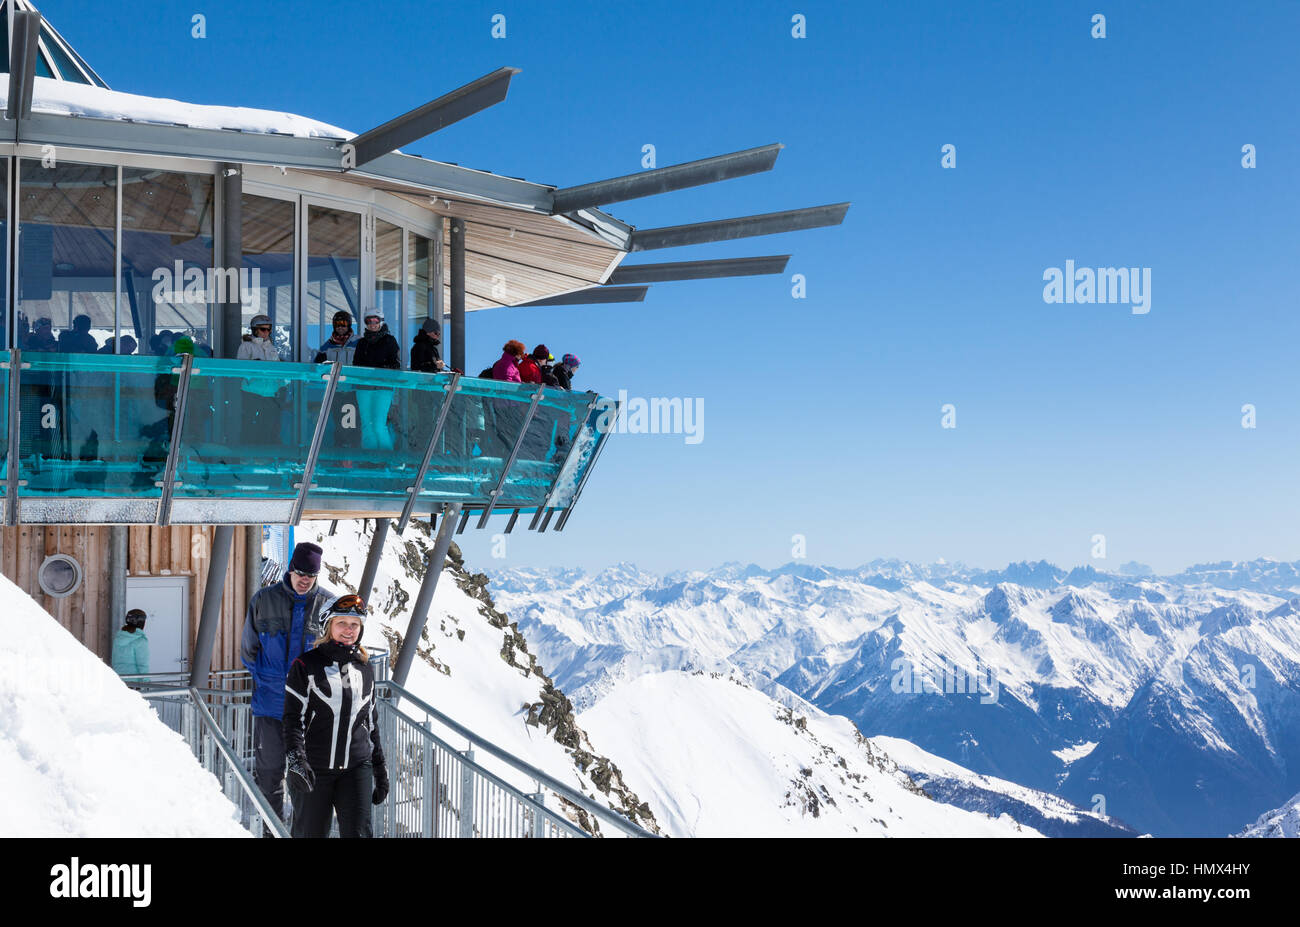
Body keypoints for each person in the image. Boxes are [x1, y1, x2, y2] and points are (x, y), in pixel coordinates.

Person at [240, 542, 333, 824]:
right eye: (300, 573)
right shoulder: (263, 600)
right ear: (291, 570)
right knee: (269, 776)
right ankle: (273, 831)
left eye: (311, 576)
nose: (305, 580)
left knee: (307, 779)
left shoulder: (328, 606)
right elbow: (249, 651)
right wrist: (269, 680)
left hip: (311, 714)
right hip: (271, 709)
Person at [283, 593, 389, 838]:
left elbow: (371, 724)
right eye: (341, 623)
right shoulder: (305, 665)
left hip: (355, 768)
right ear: (328, 626)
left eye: (355, 625)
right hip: (313, 769)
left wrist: (380, 769)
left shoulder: (365, 668)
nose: (349, 630)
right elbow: (292, 720)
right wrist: (296, 760)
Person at [353, 312, 400, 450]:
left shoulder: (389, 340)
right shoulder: (362, 343)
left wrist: (382, 371)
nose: (373, 324)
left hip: (383, 387)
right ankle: (370, 460)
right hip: (364, 388)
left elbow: (396, 364)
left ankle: (386, 460)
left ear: (381, 322)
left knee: (379, 425)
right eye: (369, 322)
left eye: (376, 321)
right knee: (367, 424)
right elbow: (356, 364)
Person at [236, 314, 282, 444]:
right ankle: (247, 453)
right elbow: (241, 369)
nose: (266, 332)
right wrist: (256, 367)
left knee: (267, 425)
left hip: (270, 393)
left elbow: (278, 369)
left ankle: (263, 455)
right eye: (263, 329)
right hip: (252, 392)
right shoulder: (246, 346)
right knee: (250, 424)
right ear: (255, 330)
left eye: (269, 329)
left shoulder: (271, 348)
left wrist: (281, 384)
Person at [111, 608, 150, 677]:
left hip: (118, 679)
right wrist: (146, 682)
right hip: (134, 682)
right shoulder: (140, 640)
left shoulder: (119, 637)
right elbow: (143, 665)